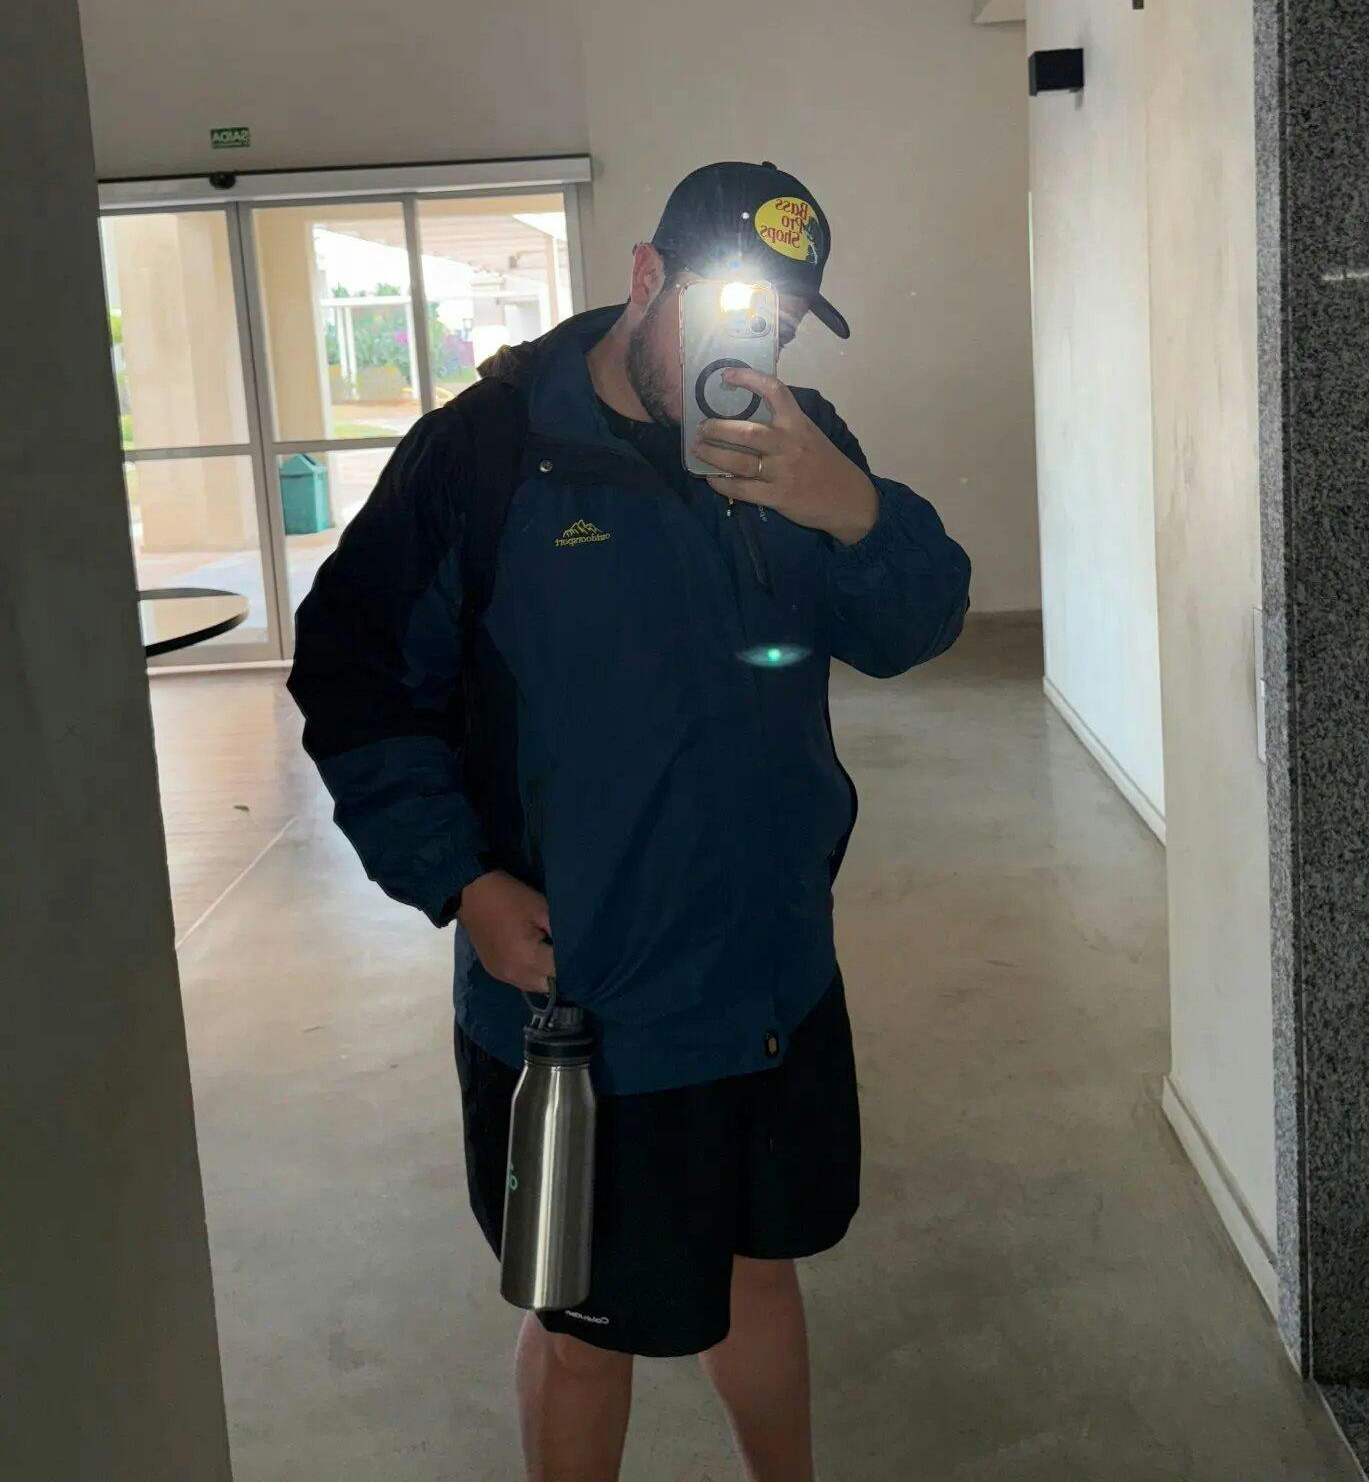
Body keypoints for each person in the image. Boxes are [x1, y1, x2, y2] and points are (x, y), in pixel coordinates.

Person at [289, 161, 971, 1482]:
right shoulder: (488, 453)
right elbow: (357, 675)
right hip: (582, 1003)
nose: (751, 349)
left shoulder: (800, 440)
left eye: (780, 322)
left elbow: (913, 624)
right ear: (648, 277)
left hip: (773, 978)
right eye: (727, 305)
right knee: (584, 1329)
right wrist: (461, 881)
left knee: (760, 1271)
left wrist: (852, 507)